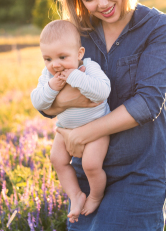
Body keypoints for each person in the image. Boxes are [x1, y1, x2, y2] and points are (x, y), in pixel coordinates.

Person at [39, 0, 166, 230]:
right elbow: (47, 105)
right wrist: (65, 102)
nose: (101, 3)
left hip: (139, 169)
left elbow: (148, 104)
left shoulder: (157, 27)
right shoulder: (78, 35)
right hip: (88, 172)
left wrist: (82, 131)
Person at [30, 20, 111, 222]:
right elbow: (37, 101)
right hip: (65, 129)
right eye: (47, 59)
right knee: (57, 159)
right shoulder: (48, 76)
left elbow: (103, 91)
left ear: (79, 54)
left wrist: (74, 77)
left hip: (96, 127)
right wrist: (51, 87)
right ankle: (75, 195)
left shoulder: (89, 68)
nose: (54, 64)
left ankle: (95, 195)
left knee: (91, 165)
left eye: (62, 57)